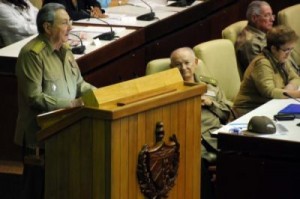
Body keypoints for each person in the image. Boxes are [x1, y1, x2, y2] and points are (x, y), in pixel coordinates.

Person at [15, 3, 96, 198]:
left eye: (70, 22)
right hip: (39, 138)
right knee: (36, 190)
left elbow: (79, 83)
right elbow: (34, 97)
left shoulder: (66, 50)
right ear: (47, 27)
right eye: (65, 23)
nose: (71, 27)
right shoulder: (32, 54)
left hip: (64, 131)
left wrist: (97, 93)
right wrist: (71, 105)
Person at [170, 47, 232, 199]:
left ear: (196, 62)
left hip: (215, 136)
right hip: (191, 141)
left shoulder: (210, 85)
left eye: (187, 63)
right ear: (171, 68)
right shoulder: (168, 92)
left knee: (244, 154)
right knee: (194, 163)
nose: (183, 68)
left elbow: (227, 112)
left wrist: (211, 103)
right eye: (178, 65)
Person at [233, 25, 300, 117]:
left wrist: (289, 88)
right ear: (273, 49)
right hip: (248, 113)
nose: (289, 54)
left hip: (270, 107)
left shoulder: (281, 57)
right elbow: (269, 92)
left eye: (291, 49)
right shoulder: (262, 63)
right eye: (286, 50)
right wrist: (297, 94)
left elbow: (295, 78)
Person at [235, 1, 275, 74]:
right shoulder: (250, 43)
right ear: (254, 18)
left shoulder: (265, 32)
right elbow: (260, 75)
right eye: (267, 15)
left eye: (272, 15)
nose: (272, 19)